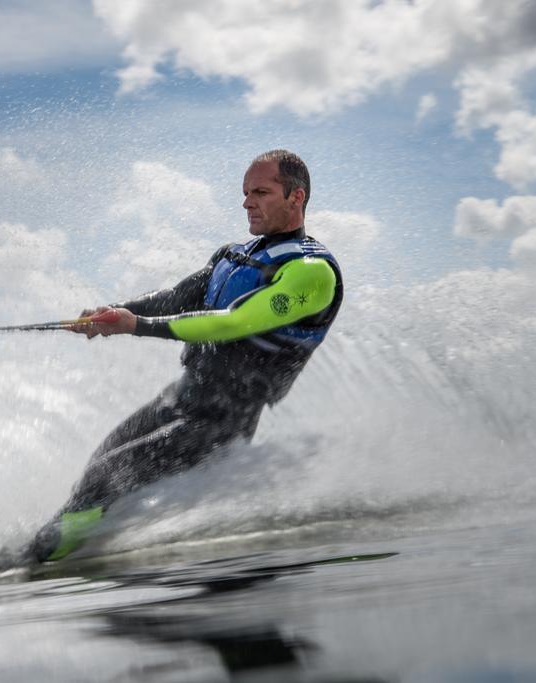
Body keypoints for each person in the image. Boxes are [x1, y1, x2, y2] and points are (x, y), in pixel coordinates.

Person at [30, 149, 344, 561]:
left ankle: (32, 561)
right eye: (246, 192)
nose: (248, 202)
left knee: (108, 477)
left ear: (295, 197)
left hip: (222, 421)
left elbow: (234, 322)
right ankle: (58, 551)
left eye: (261, 192)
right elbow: (175, 299)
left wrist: (135, 326)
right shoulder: (236, 254)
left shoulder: (312, 271)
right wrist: (111, 314)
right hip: (182, 396)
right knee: (97, 469)